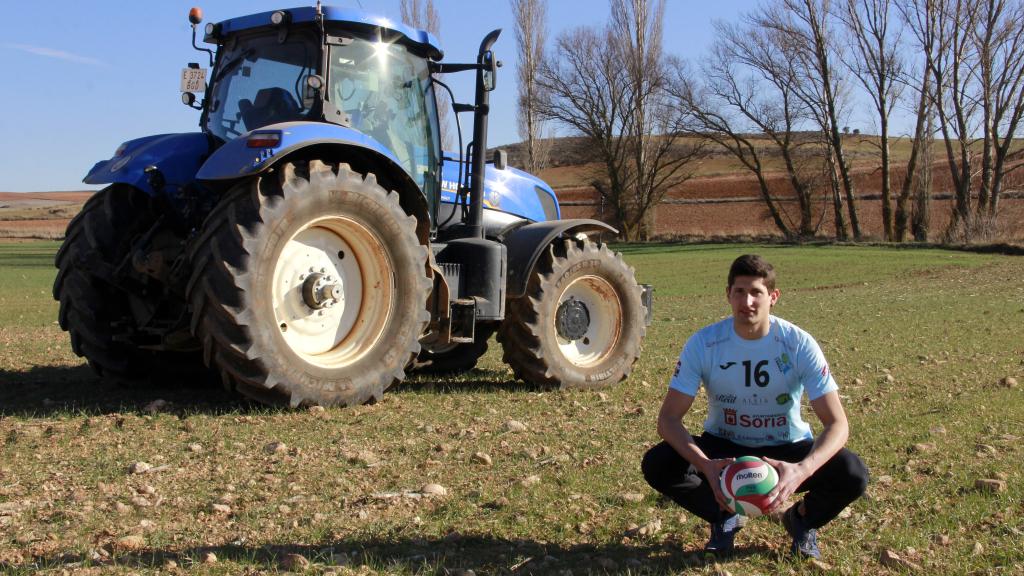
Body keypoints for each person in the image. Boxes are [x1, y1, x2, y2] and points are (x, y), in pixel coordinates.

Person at [641, 254, 868, 560]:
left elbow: (838, 424)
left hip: (786, 449)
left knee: (852, 473)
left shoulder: (799, 344)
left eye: (756, 292)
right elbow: (668, 419)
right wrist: (707, 466)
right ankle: (723, 517)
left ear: (773, 297)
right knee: (659, 463)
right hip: (724, 448)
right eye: (739, 291)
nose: (747, 301)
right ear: (728, 294)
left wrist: (801, 470)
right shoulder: (703, 344)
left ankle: (802, 520)